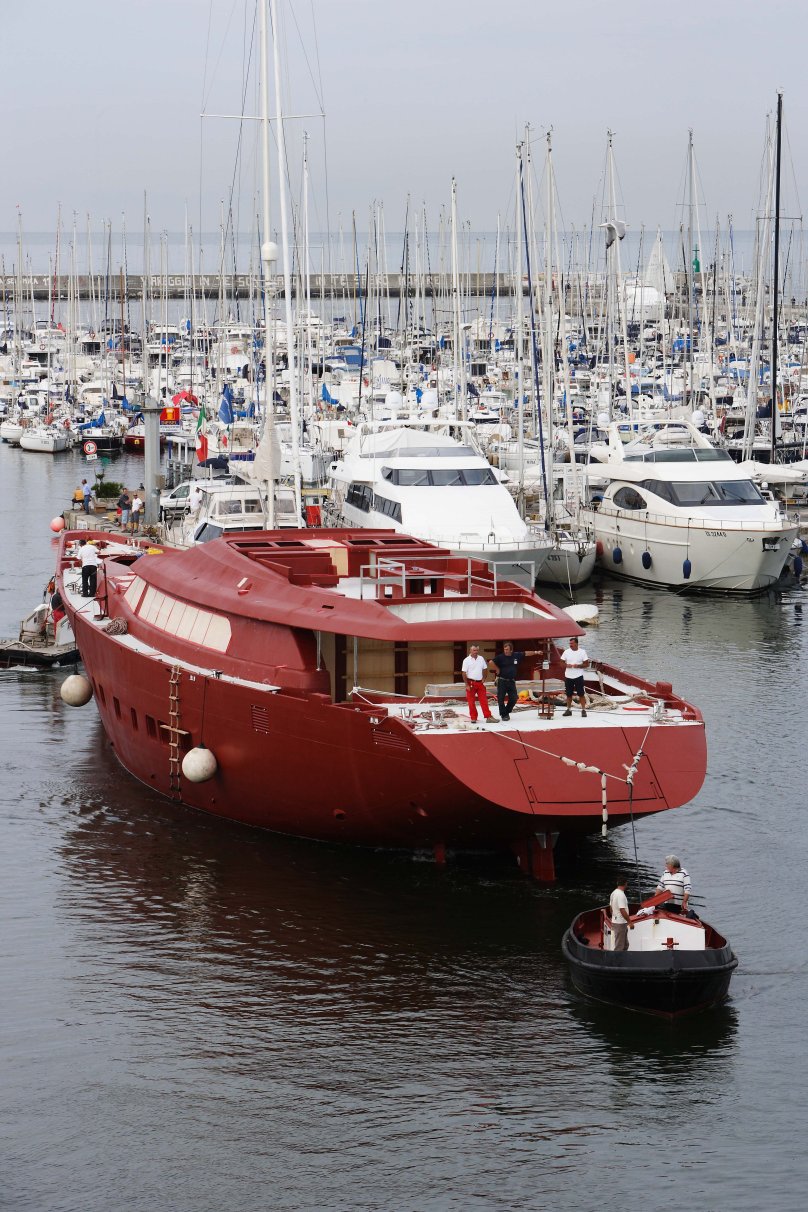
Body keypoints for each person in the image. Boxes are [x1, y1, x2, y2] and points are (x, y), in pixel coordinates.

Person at [488, 641, 541, 724]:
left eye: (507, 649)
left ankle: (506, 711)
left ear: (511, 650)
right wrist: (497, 669)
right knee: (500, 699)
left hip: (511, 681)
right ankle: (504, 715)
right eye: (504, 649)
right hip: (502, 680)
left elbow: (526, 653)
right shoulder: (500, 657)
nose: (505, 651)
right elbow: (491, 662)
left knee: (514, 698)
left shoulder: (516, 655)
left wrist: (536, 652)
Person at [461, 643, 493, 723]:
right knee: (471, 702)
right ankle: (473, 717)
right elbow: (464, 673)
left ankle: (488, 717)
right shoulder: (466, 660)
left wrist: (484, 678)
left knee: (484, 700)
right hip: (470, 683)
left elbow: (485, 669)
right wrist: (466, 685)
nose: (475, 652)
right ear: (470, 650)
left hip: (479, 683)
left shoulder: (481, 658)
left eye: (477, 650)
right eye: (474, 650)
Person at [560, 635, 589, 717]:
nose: (570, 645)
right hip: (568, 676)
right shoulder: (566, 652)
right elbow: (561, 663)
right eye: (570, 643)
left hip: (578, 676)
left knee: (581, 694)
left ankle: (583, 710)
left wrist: (578, 666)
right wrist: (566, 665)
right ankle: (568, 710)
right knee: (569, 694)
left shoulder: (582, 652)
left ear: (576, 644)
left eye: (572, 643)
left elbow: (586, 664)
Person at [609, 877, 631, 951]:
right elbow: (622, 910)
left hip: (616, 922)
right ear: (625, 884)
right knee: (620, 946)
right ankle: (618, 958)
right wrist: (630, 922)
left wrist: (614, 917)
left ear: (617, 883)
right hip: (620, 923)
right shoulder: (621, 895)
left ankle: (621, 957)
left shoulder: (613, 893)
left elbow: (611, 907)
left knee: (625, 945)